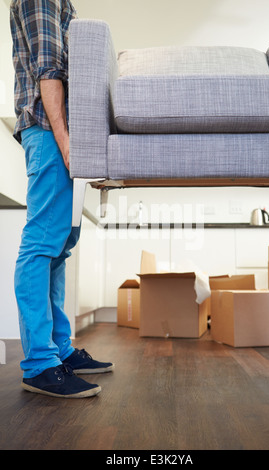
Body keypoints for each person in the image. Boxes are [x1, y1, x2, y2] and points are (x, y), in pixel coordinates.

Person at [10, 0, 114, 398]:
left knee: (58, 246)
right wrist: (66, 140)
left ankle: (59, 351)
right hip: (50, 130)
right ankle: (40, 364)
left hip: (59, 132)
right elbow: (48, 68)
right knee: (41, 245)